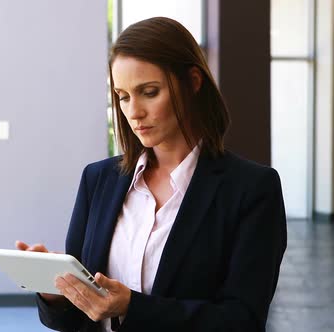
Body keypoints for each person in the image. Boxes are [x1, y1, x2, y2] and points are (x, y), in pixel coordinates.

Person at [16, 16, 287, 332]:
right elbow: (72, 320)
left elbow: (243, 321)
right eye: (123, 96)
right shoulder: (98, 180)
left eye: (149, 91)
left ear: (193, 83)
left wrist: (132, 306)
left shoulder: (252, 189)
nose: (133, 112)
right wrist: (56, 294)